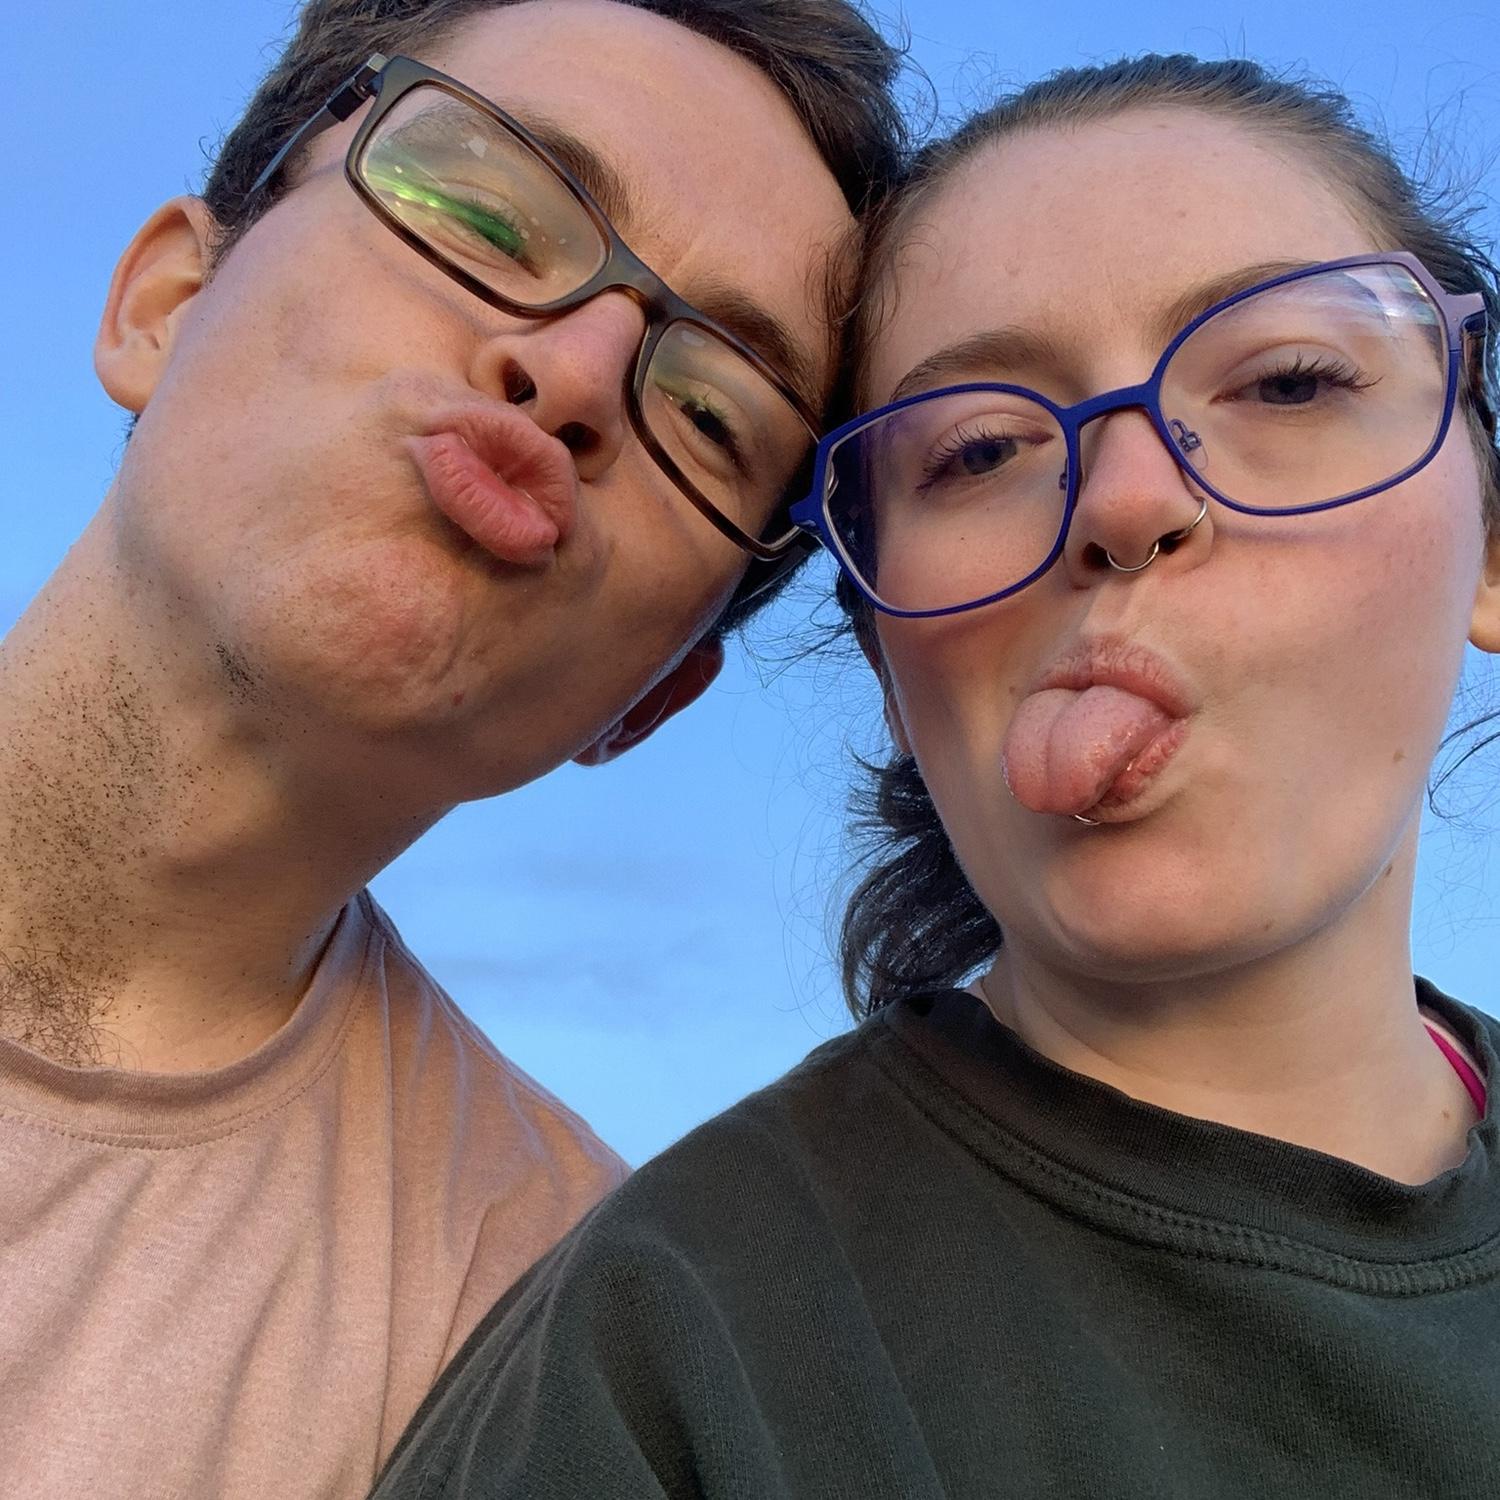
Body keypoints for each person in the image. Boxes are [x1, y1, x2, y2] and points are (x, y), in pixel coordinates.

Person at [370, 52, 1500, 1499]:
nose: (1127, 498)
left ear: (1489, 544)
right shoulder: (666, 1361)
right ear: (891, 659)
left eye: (1289, 379)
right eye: (975, 452)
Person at [0, 1, 904, 1495]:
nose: (583, 370)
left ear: (655, 696)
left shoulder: (566, 1344)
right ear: (167, 300)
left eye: (710, 411)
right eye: (483, 209)